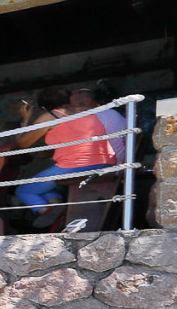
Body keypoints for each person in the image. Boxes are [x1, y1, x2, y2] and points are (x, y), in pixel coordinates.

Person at [16, 86, 115, 219]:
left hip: (76, 166)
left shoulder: (50, 116)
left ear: (44, 108)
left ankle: (50, 215)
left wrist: (25, 119)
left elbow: (22, 143)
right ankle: (59, 211)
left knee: (24, 191)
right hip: (107, 162)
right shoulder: (87, 110)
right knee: (44, 188)